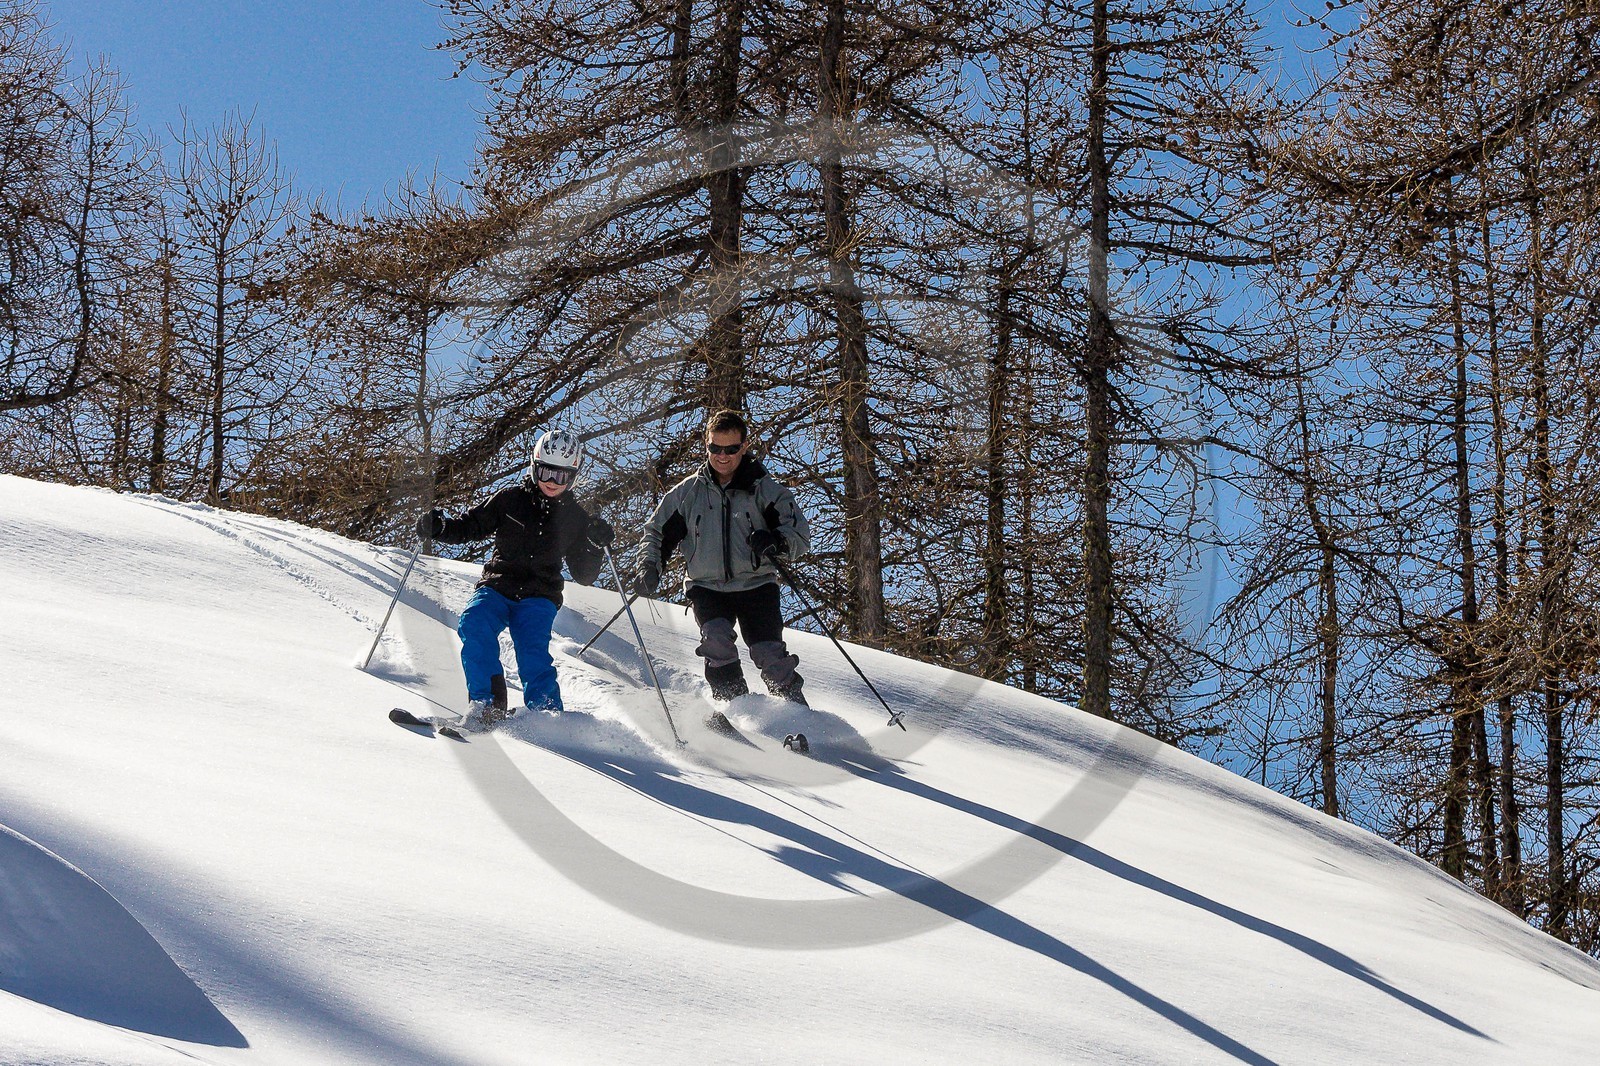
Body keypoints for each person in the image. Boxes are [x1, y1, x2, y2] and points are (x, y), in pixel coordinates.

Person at [417, 428, 614, 728]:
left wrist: (594, 545)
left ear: (572, 477)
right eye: (546, 472)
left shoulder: (576, 518)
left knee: (532, 649)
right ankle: (486, 705)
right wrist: (441, 527)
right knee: (473, 624)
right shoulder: (510, 499)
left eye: (561, 476)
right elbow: (471, 525)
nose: (551, 482)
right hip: (498, 585)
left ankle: (547, 717)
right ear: (534, 467)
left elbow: (584, 574)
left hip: (539, 595)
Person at [636, 410, 812, 708]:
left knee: (769, 654)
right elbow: (655, 533)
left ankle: (796, 712)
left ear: (744, 446)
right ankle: (736, 708)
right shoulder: (688, 493)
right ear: (706, 446)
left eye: (730, 449)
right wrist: (650, 566)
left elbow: (799, 535)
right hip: (707, 586)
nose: (722, 456)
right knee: (716, 642)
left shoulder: (765, 489)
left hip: (757, 585)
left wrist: (775, 541)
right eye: (714, 448)